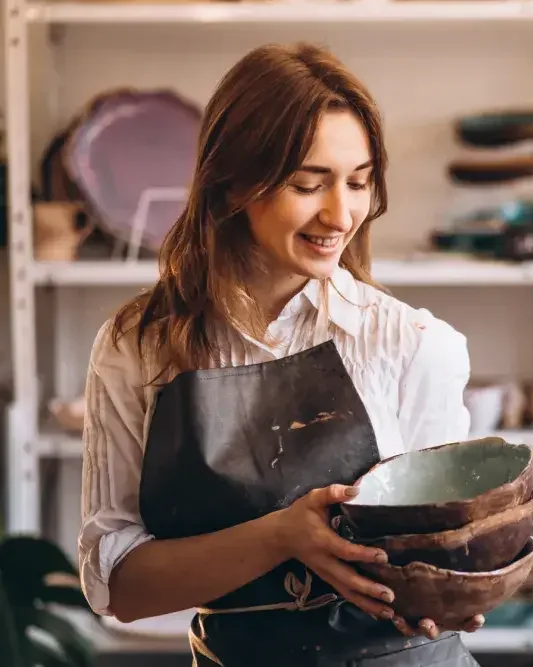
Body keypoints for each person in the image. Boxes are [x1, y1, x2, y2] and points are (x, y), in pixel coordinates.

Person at [77, 42, 485, 666]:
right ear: (232, 182)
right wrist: (279, 538)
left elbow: (442, 554)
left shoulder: (411, 345)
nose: (341, 213)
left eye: (359, 181)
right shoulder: (140, 348)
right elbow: (119, 586)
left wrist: (461, 583)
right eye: (307, 184)